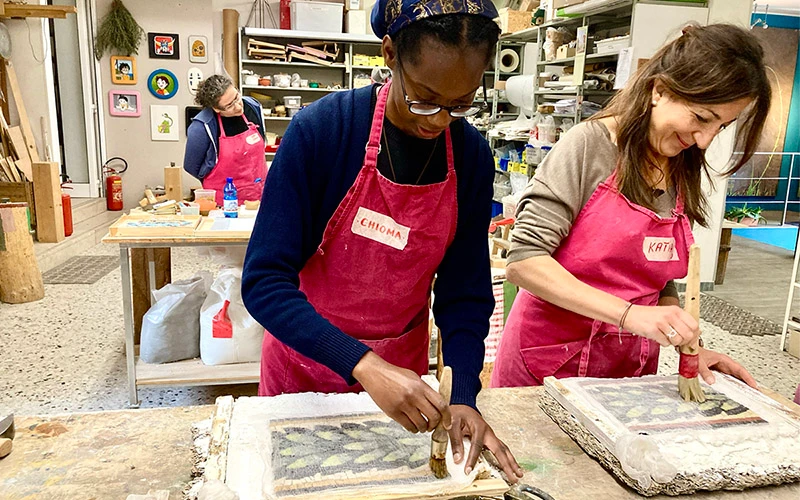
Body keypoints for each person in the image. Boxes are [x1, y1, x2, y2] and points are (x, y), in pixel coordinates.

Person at [241, 0, 523, 482]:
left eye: (460, 105)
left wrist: (462, 399)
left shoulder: (470, 155)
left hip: (404, 381)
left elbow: (464, 295)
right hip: (306, 364)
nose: (437, 121)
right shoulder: (324, 132)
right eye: (424, 98)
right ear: (389, 54)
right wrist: (363, 364)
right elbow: (264, 281)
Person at [491, 24, 771, 389]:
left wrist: (688, 344)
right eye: (702, 118)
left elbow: (655, 273)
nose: (704, 140)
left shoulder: (679, 162)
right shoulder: (588, 147)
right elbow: (525, 262)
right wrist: (629, 315)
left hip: (627, 369)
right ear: (660, 90)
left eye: (721, 127)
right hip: (548, 366)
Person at [184, 74, 268, 207]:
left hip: (259, 197)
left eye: (237, 97)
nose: (239, 107)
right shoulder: (202, 127)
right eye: (229, 105)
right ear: (216, 108)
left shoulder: (253, 107)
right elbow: (191, 166)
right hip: (224, 203)